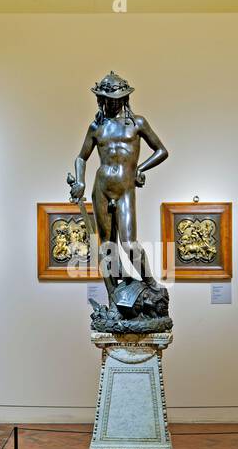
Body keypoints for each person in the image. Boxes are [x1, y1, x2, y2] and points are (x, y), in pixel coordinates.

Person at [69, 71, 169, 308]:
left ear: (124, 98)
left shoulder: (137, 123)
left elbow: (161, 151)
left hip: (125, 189)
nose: (111, 103)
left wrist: (139, 169)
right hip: (101, 187)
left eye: (116, 98)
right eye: (107, 98)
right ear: (101, 100)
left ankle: (150, 282)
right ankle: (114, 294)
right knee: (106, 246)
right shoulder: (96, 126)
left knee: (129, 244)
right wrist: (80, 181)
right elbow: (82, 157)